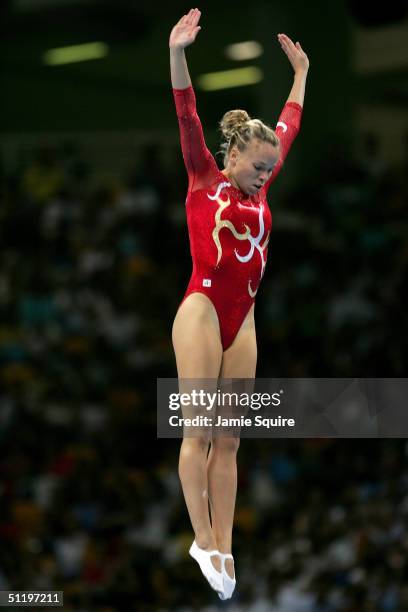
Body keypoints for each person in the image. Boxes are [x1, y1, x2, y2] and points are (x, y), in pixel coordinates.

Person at [169, 7, 309, 600]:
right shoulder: (205, 176)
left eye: (270, 170)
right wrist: (177, 53)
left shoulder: (264, 173)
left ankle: (224, 544)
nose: (264, 177)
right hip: (201, 308)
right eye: (257, 169)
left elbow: (290, 124)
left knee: (230, 440)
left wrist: (301, 73)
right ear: (232, 159)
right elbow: (187, 113)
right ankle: (200, 537)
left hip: (242, 319)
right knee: (199, 434)